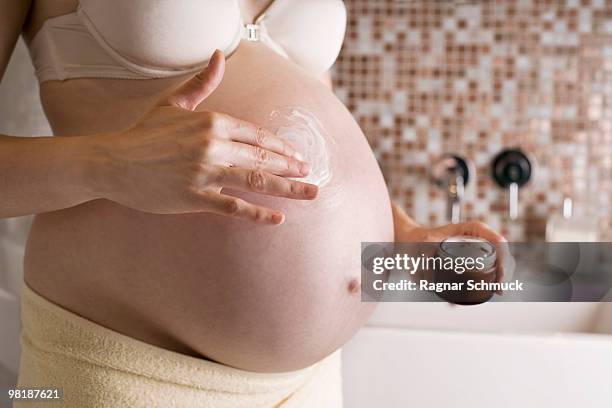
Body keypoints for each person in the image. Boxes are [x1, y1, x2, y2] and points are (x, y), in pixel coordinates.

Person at [1, 0, 505, 406]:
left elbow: (305, 139)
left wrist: (406, 237)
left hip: (308, 384)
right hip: (126, 366)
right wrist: (111, 162)